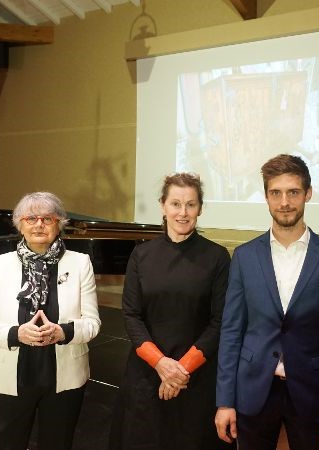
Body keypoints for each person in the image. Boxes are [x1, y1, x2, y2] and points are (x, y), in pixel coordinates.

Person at [215, 154, 319, 450]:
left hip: (313, 392)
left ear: (308, 193)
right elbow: (231, 333)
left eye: (293, 192)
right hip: (254, 389)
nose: (285, 202)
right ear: (266, 196)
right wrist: (225, 401)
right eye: (276, 193)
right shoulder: (244, 257)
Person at [113, 173, 232, 450]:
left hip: (196, 379)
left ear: (200, 208)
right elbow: (131, 315)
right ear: (163, 206)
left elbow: (219, 321)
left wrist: (180, 371)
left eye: (191, 204)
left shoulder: (217, 257)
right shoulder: (141, 255)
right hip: (146, 375)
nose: (183, 212)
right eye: (176, 204)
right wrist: (161, 364)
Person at [0, 192, 101, 449]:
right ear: (20, 224)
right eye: (31, 218)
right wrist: (16, 334)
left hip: (65, 376)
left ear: (59, 223)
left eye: (47, 218)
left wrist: (63, 332)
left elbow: (92, 323)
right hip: (12, 374)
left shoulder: (80, 263)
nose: (39, 224)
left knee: (57, 443)